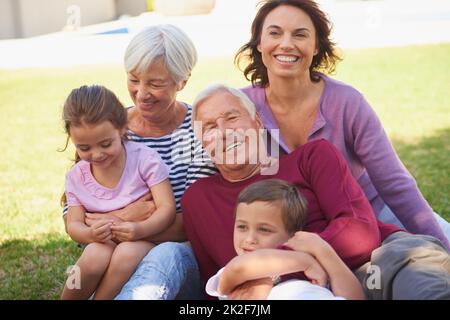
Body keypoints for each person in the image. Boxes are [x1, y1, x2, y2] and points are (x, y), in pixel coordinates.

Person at [182, 84, 450, 299]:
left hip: (376, 262)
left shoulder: (312, 157)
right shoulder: (198, 200)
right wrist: (298, 262)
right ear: (201, 143)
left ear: (257, 123)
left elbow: (360, 234)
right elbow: (214, 284)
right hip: (291, 293)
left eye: (232, 118)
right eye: (209, 128)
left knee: (419, 282)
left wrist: (277, 264)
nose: (224, 132)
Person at [235, 0, 450, 248]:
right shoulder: (240, 108)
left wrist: (440, 244)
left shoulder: (347, 102)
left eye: (300, 34)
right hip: (295, 229)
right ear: (259, 42)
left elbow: (393, 181)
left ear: (316, 46)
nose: (286, 43)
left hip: (369, 211)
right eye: (274, 33)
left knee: (441, 246)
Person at [62, 25, 217, 299]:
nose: (141, 92)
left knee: (159, 255)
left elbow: (192, 223)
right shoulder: (109, 127)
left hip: (174, 254)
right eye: (134, 79)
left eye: (155, 83)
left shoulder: (198, 133)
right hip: (109, 249)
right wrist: (121, 221)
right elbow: (78, 204)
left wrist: (119, 223)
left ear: (182, 80)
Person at [60, 85, 176, 299]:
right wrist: (89, 234)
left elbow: (167, 208)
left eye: (105, 144)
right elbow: (73, 224)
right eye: (84, 148)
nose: (97, 155)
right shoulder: (77, 176)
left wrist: (140, 229)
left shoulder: (144, 159)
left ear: (122, 129)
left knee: (126, 254)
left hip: (143, 238)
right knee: (94, 255)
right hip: (101, 241)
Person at [205, 179, 364, 300]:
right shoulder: (238, 275)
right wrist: (305, 261)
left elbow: (354, 297)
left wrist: (323, 250)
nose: (249, 239)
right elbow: (238, 268)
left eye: (264, 230)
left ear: (292, 235)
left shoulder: (318, 268)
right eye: (241, 227)